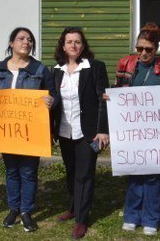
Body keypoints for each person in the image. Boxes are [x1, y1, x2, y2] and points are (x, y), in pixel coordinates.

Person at [115, 23, 160, 237]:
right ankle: (132, 216)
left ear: (156, 49)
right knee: (134, 173)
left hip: (156, 130)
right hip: (132, 129)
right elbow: (118, 93)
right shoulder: (125, 64)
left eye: (148, 49)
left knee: (152, 176)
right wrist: (110, 98)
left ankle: (151, 218)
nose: (143, 53)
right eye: (139, 48)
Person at [0, 27, 57, 232]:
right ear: (11, 43)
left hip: (31, 131)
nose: (26, 42)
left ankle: (26, 211)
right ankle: (13, 209)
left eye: (29, 39)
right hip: (6, 130)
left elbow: (53, 95)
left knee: (28, 172)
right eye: (21, 38)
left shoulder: (39, 69)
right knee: (11, 171)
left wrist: (51, 101)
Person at [51, 27, 109, 239]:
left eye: (77, 41)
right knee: (71, 172)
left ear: (83, 46)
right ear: (63, 46)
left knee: (84, 175)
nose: (73, 45)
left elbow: (104, 101)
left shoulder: (95, 67)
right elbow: (54, 101)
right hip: (65, 131)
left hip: (89, 133)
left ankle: (81, 220)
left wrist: (103, 130)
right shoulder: (56, 70)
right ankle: (74, 207)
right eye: (69, 42)